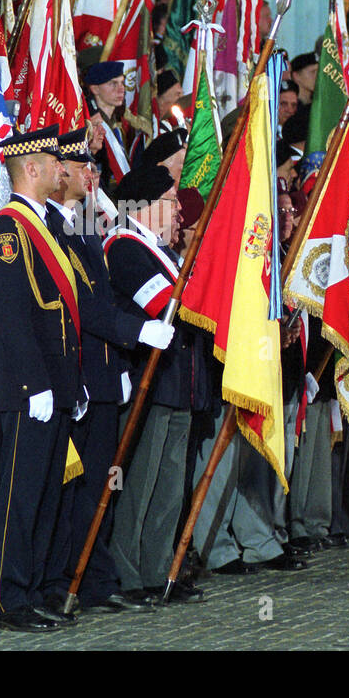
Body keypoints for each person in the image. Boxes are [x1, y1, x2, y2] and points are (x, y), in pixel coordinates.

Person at [42, 128, 167, 618]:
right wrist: (136, 333)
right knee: (77, 489)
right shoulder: (57, 227)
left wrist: (117, 360)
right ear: (62, 172)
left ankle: (96, 578)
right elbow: (82, 308)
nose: (93, 175)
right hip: (77, 373)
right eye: (82, 166)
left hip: (103, 370)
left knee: (101, 485)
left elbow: (100, 299)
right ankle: (65, 580)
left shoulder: (86, 225)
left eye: (94, 166)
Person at [0, 124, 83, 633]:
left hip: (56, 384)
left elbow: (64, 312)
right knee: (20, 496)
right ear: (34, 168)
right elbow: (14, 315)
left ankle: (39, 588)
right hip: (30, 390)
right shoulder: (9, 229)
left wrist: (71, 381)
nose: (63, 169)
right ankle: (7, 600)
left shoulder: (47, 225)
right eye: (54, 161)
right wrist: (33, 384)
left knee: (46, 496)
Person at [106, 164, 209, 604]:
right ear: (144, 208)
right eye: (169, 204)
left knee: (168, 488)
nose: (177, 214)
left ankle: (157, 570)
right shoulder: (127, 248)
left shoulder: (161, 251)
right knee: (141, 484)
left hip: (179, 384)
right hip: (151, 384)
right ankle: (129, 575)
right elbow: (162, 305)